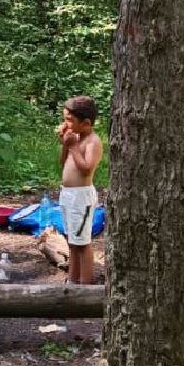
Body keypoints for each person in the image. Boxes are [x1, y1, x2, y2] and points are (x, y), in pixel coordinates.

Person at [57, 95, 103, 285]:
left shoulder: (92, 141)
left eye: (69, 120)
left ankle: (85, 284)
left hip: (81, 197)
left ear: (85, 123)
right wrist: (65, 145)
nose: (65, 124)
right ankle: (72, 280)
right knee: (71, 240)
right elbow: (63, 163)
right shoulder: (75, 138)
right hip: (67, 194)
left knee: (82, 242)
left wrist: (74, 146)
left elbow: (86, 169)